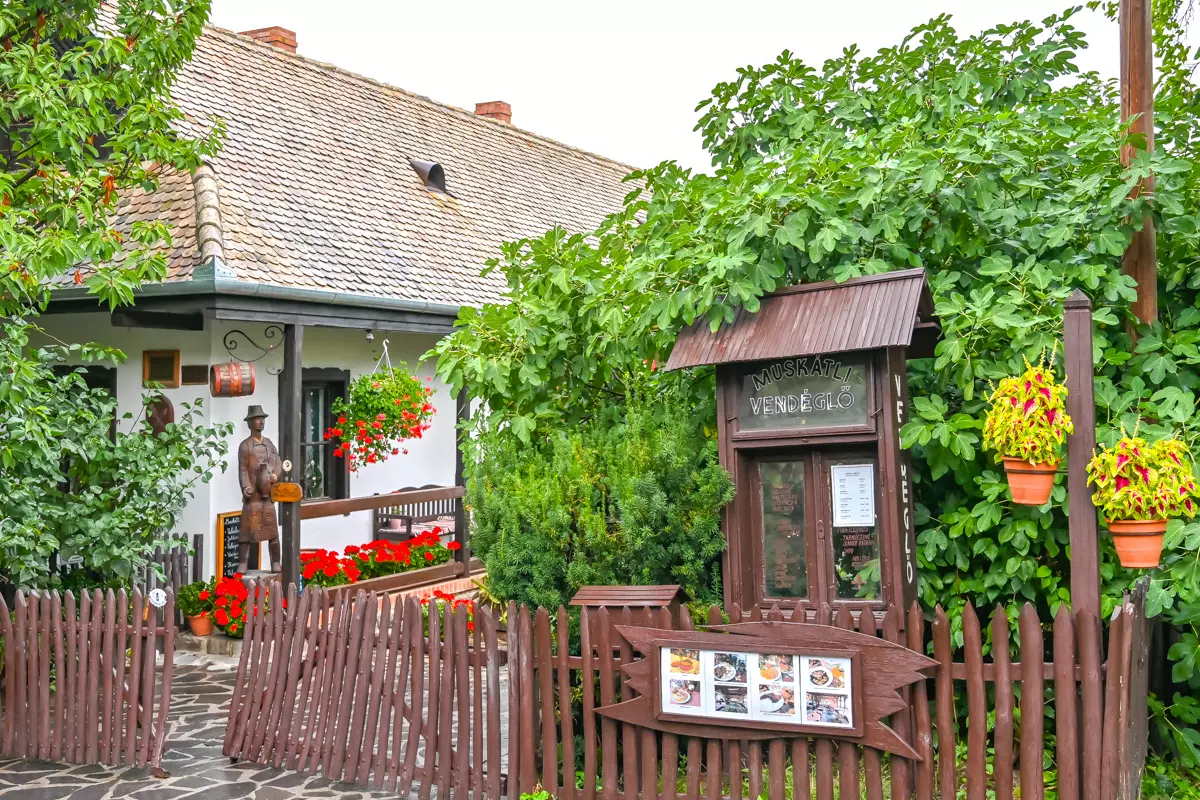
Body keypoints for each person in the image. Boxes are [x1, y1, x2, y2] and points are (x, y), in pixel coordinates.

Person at [237, 405, 282, 572]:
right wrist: (246, 486)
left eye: (263, 419)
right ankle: (243, 562)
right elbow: (242, 469)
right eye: (258, 419)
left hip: (267, 494)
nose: (261, 422)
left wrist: (275, 475)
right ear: (250, 423)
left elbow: (277, 461)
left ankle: (275, 562)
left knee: (272, 531)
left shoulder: (269, 444)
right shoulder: (245, 446)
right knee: (246, 531)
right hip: (253, 496)